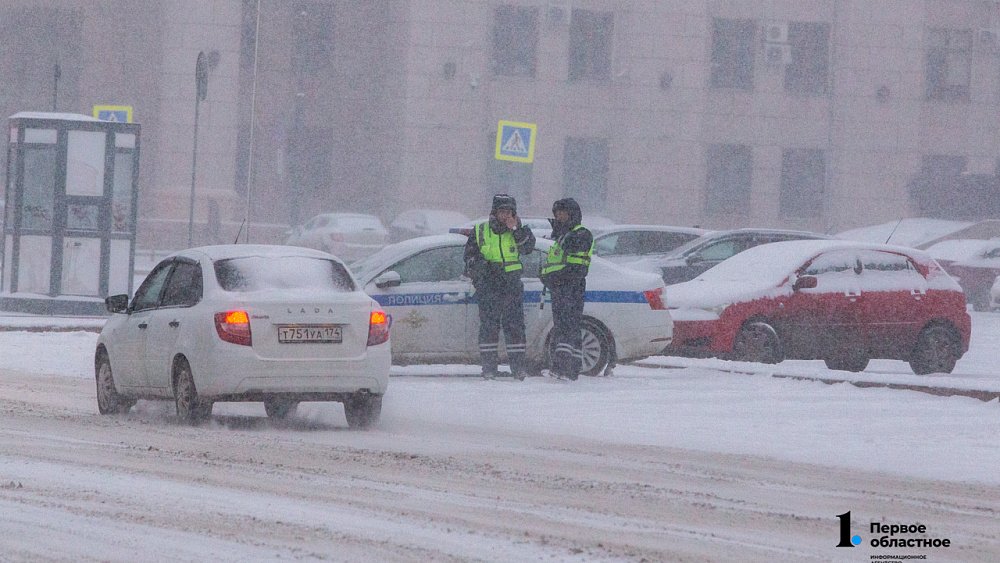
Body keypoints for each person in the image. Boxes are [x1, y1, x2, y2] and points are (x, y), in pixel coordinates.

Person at [464, 194, 536, 380]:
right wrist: (482, 270)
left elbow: (528, 248)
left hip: (511, 287)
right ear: (494, 212)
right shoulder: (480, 230)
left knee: (515, 328)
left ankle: (518, 368)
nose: (505, 216)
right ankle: (489, 368)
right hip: (488, 287)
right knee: (489, 328)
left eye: (508, 212)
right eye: (501, 211)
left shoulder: (520, 230)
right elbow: (469, 258)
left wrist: (516, 229)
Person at [539, 198, 593, 381]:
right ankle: (566, 367)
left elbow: (576, 267)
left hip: (570, 288)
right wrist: (546, 275)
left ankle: (565, 368)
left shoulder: (579, 234)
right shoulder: (564, 235)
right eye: (557, 213)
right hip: (560, 288)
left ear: (572, 214)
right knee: (565, 327)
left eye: (563, 212)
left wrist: (554, 277)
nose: (559, 216)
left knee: (566, 328)